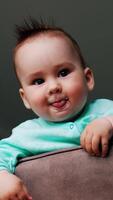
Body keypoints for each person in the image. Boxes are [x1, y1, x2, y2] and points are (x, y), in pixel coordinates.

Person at [0, 18, 113, 200]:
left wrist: (108, 122)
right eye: (38, 81)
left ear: (88, 79)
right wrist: (2, 178)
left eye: (63, 73)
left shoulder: (104, 109)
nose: (53, 87)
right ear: (25, 98)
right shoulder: (27, 134)